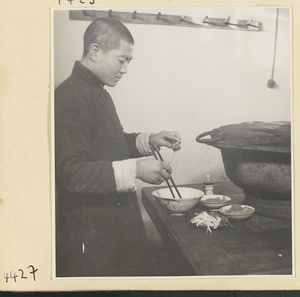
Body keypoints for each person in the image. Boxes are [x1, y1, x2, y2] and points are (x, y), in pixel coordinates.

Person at [55, 17, 181, 277]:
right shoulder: (70, 96)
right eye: (122, 60)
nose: (125, 70)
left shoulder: (96, 90)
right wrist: (135, 168)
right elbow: (70, 172)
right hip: (91, 236)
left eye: (128, 62)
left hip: (109, 226)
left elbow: (109, 144)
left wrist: (149, 140)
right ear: (94, 52)